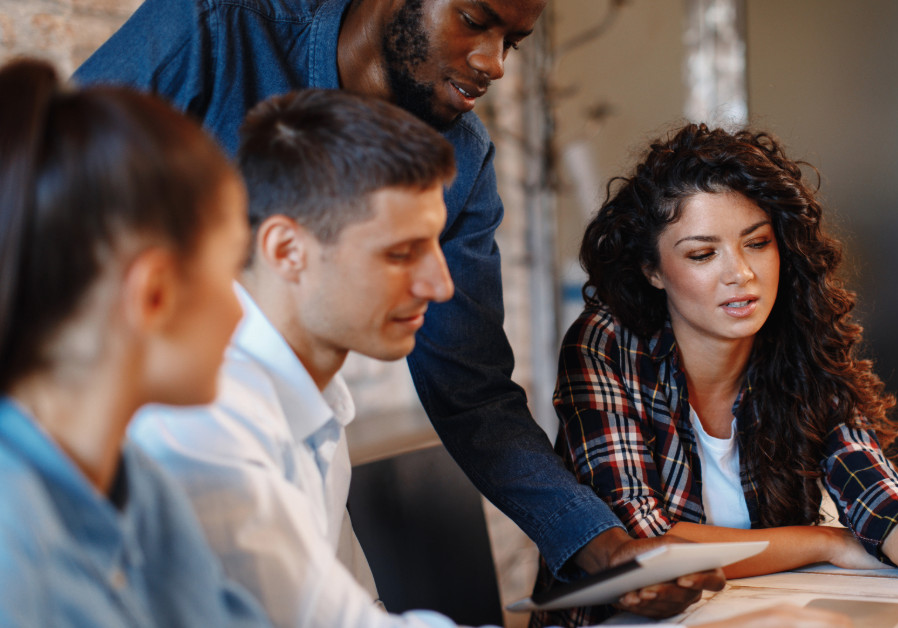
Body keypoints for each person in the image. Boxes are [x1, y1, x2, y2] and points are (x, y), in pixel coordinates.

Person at [126, 88, 849, 628]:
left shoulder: (308, 406)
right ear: (286, 250)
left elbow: (347, 610)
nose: (442, 286)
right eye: (402, 253)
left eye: (439, 248)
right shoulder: (207, 425)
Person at [72, 0, 705, 614]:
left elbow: (471, 386)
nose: (494, 64)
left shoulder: (461, 156)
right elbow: (37, 205)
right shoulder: (216, 27)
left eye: (513, 42)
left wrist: (600, 544)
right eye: (475, 20)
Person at [537, 123, 898, 626]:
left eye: (758, 243)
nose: (740, 273)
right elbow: (645, 551)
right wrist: (826, 542)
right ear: (653, 270)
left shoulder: (798, 352)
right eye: (701, 254)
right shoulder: (608, 344)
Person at [0, 58, 268, 627]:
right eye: (229, 272)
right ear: (154, 294)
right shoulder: (12, 557)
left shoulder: (138, 489)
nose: (239, 311)